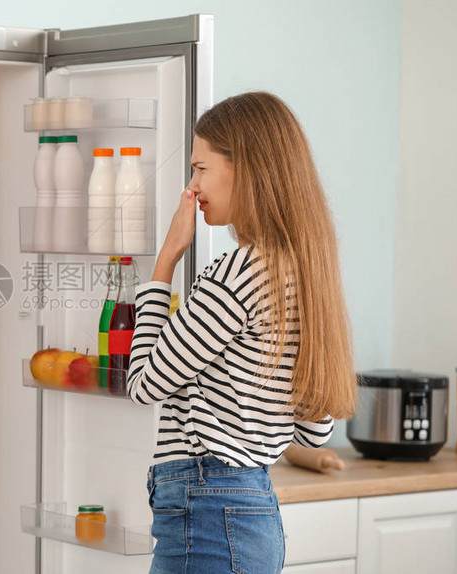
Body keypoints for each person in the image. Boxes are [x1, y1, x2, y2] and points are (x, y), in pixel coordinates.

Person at [127, 91, 357, 573]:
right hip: (253, 508)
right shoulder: (305, 272)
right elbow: (315, 430)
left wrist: (164, 263)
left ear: (245, 167)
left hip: (207, 509)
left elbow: (144, 383)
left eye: (200, 168)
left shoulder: (237, 273)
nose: (193, 185)